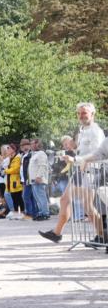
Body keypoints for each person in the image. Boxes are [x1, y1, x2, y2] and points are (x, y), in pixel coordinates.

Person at [40, 103, 106, 243]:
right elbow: (84, 151)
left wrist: (75, 158)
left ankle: (102, 235)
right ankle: (57, 233)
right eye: (79, 113)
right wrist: (74, 151)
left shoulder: (96, 131)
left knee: (87, 206)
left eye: (84, 113)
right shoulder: (82, 129)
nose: (81, 116)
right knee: (65, 200)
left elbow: (97, 154)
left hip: (90, 171)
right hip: (79, 169)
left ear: (92, 114)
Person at [28, 138, 51, 221]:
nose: (30, 145)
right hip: (34, 180)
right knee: (37, 197)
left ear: (37, 144)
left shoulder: (41, 153)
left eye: (32, 143)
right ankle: (41, 212)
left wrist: (39, 176)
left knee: (41, 196)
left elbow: (43, 166)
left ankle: (45, 213)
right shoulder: (34, 154)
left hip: (38, 179)